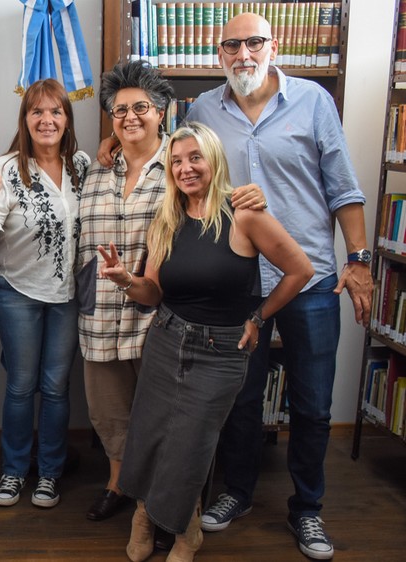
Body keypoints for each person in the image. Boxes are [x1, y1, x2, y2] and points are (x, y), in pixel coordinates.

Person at [189, 13, 371, 560]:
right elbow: (183, 174)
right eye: (231, 45)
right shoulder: (202, 110)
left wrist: (358, 260)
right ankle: (238, 493)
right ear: (218, 52)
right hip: (239, 280)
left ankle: (308, 510)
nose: (243, 54)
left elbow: (343, 188)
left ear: (274, 45)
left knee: (314, 404)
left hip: (310, 278)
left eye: (253, 43)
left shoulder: (314, 101)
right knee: (238, 400)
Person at [100, 122, 313, 562]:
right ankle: (144, 513)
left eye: (194, 157)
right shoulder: (167, 218)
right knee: (148, 433)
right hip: (166, 339)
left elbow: (301, 271)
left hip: (221, 353)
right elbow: (153, 294)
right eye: (176, 161)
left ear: (214, 160)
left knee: (191, 445)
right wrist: (126, 280)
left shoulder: (245, 215)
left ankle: (184, 531)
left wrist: (258, 317)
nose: (185, 168)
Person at [76, 61, 264, 526]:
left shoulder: (182, 169)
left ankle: (162, 509)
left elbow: (223, 220)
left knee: (167, 423)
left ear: (163, 112)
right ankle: (118, 484)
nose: (129, 117)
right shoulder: (94, 171)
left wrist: (251, 196)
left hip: (162, 321)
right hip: (101, 315)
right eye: (119, 111)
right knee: (111, 416)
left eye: (141, 107)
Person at [0, 78, 88, 509]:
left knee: (55, 388)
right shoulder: (9, 170)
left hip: (68, 296)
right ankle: (14, 471)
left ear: (67, 119)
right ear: (26, 119)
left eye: (55, 111)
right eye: (37, 111)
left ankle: (49, 474)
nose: (47, 119)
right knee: (20, 386)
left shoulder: (83, 167)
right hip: (17, 293)